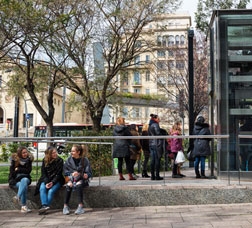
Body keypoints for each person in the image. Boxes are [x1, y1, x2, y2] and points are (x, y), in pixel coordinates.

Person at [63, 144, 92, 215]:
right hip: (72, 179)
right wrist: (72, 174)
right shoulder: (68, 160)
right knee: (69, 185)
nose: (71, 153)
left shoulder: (85, 160)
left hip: (82, 179)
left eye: (73, 151)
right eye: (71, 151)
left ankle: (80, 206)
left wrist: (86, 175)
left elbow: (89, 173)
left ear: (78, 152)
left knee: (79, 184)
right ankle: (65, 206)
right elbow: (65, 171)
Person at [35, 146, 65, 214]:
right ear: (49, 154)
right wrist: (46, 182)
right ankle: (45, 206)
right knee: (42, 188)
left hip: (57, 180)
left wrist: (52, 182)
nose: (55, 154)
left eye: (55, 152)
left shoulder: (60, 160)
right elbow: (43, 173)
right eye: (53, 153)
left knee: (51, 191)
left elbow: (59, 174)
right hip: (46, 179)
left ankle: (44, 207)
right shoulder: (45, 160)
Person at [8, 146, 34, 213]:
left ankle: (18, 197)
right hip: (16, 180)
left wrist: (18, 169)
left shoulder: (29, 160)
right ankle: (24, 207)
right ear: (19, 154)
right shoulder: (14, 161)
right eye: (23, 153)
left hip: (26, 178)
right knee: (23, 186)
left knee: (24, 180)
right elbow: (12, 173)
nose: (25, 154)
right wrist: (21, 171)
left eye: (26, 152)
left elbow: (28, 171)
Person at [148, 114, 163, 180]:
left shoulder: (150, 125)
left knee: (153, 160)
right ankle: (157, 175)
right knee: (157, 159)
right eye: (158, 118)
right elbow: (158, 133)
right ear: (155, 118)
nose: (159, 119)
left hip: (151, 143)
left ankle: (152, 175)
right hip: (156, 144)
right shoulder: (155, 125)